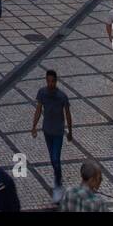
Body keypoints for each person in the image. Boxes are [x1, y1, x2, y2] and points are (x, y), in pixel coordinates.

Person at [31, 69, 72, 202]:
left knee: (55, 159)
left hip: (58, 133)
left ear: (56, 81)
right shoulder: (42, 93)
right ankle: (58, 177)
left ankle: (58, 185)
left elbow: (68, 114)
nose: (50, 84)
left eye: (52, 81)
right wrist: (34, 126)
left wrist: (70, 132)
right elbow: (38, 110)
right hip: (47, 131)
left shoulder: (62, 96)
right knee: (53, 160)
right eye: (48, 81)